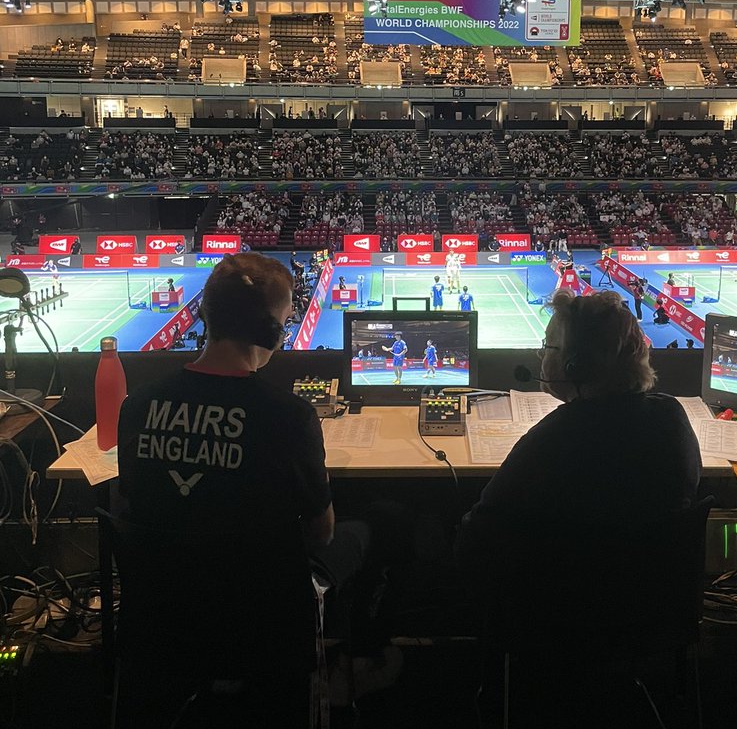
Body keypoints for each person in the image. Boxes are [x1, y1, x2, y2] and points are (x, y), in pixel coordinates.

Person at [116, 253, 406, 694]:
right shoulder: (287, 415)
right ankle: (357, 662)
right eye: (286, 320)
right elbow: (321, 535)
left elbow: (133, 505)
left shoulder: (137, 404)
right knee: (384, 519)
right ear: (271, 331)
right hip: (264, 617)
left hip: (163, 615)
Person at [456, 290, 701, 599]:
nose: (541, 355)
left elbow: (478, 537)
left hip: (552, 612)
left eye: (549, 346)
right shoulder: (671, 417)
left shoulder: (555, 438)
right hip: (647, 607)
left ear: (575, 365)